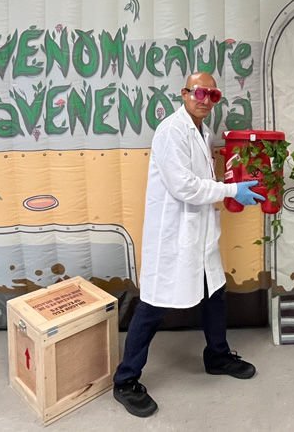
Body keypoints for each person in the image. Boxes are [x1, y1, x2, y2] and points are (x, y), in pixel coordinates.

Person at [112, 72, 265, 417]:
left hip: (200, 233)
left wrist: (232, 180)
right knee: (153, 306)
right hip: (174, 236)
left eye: (212, 94)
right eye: (199, 92)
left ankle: (217, 355)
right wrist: (230, 191)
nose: (204, 99)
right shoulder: (171, 131)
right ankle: (125, 381)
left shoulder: (204, 132)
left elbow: (203, 179)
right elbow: (184, 186)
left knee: (215, 293)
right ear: (184, 93)